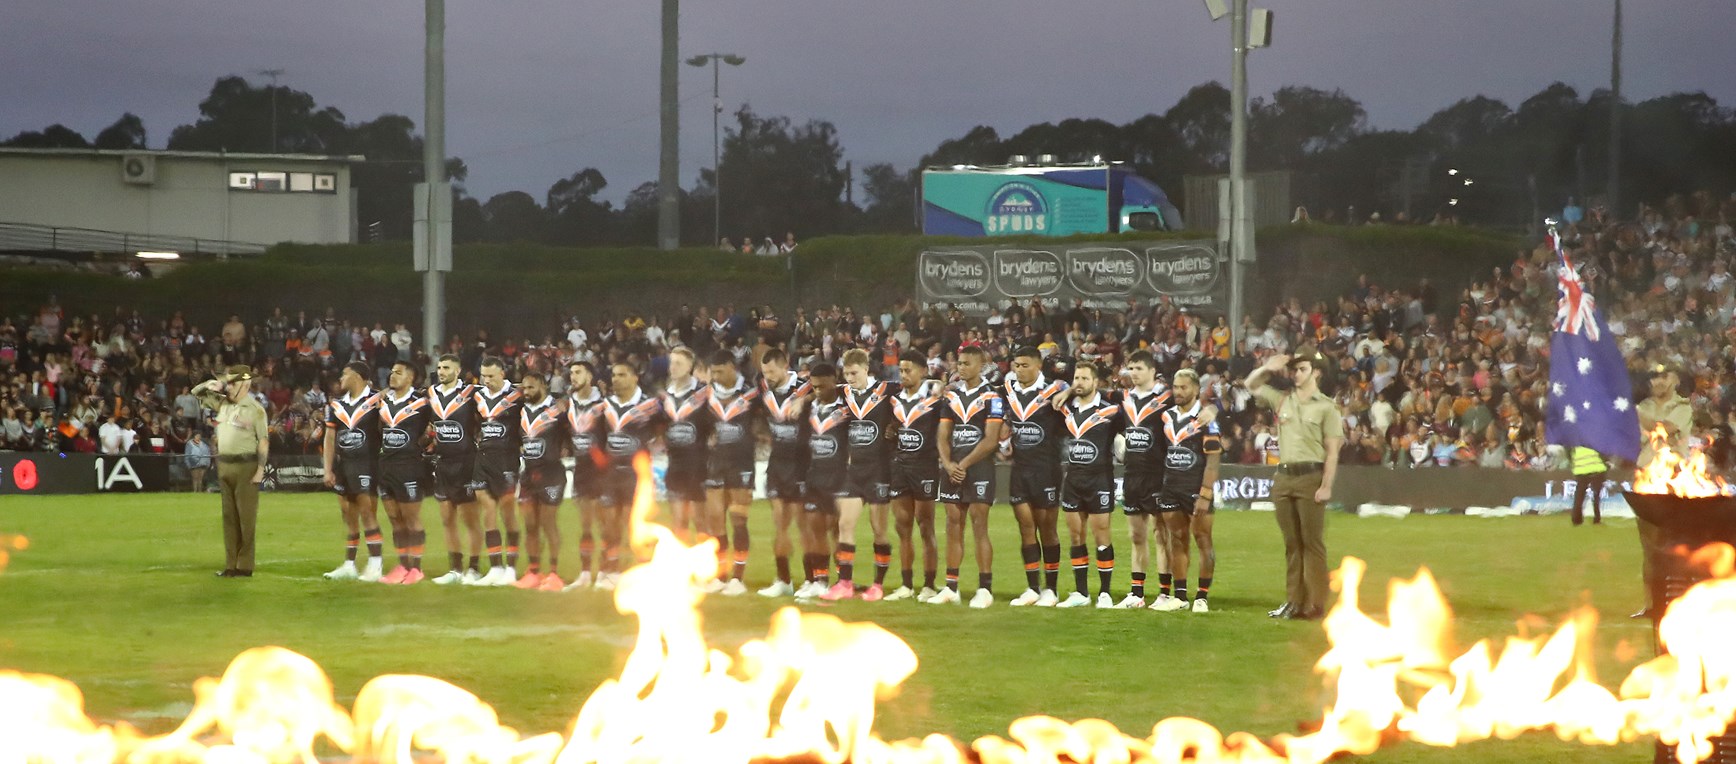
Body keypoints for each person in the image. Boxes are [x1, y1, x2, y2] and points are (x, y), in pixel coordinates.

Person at [1246, 350, 1343, 621]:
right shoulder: (1282, 400)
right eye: (1294, 370)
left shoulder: (1326, 407)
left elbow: (1332, 451)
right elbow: (1250, 385)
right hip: (1284, 476)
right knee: (1291, 543)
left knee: (1311, 543)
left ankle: (1315, 603)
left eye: (1301, 369)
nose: (1295, 374)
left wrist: (1326, 485)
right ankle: (1293, 601)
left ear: (1317, 372)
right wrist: (1267, 367)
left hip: (1311, 476)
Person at [821, 349, 897, 601]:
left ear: (866, 369)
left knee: (879, 529)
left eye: (854, 373)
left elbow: (914, 392)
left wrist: (894, 427)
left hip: (878, 470)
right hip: (853, 470)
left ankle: (878, 584)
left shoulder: (887, 390)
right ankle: (844, 583)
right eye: (846, 373)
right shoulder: (843, 393)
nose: (850, 378)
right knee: (845, 524)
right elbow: (816, 391)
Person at [933, 345, 1004, 607]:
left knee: (979, 525)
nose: (960, 368)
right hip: (953, 469)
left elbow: (991, 439)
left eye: (965, 363)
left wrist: (962, 463)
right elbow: (942, 434)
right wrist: (948, 463)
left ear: (980, 366)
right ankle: (951, 586)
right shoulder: (950, 397)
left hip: (979, 468)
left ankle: (984, 588)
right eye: (958, 363)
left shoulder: (992, 397)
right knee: (952, 524)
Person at [1001, 346, 1069, 607]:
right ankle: (1032, 587)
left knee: (1047, 528)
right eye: (1016, 365)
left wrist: (1070, 391)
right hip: (1020, 469)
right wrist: (1003, 443)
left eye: (1024, 365)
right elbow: (1007, 422)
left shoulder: (1055, 389)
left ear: (1038, 365)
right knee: (1025, 528)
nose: (1019, 370)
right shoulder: (1009, 390)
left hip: (1047, 469)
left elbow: (1078, 393)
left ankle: (1051, 590)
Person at [592, 361, 666, 590]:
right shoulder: (605, 405)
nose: (616, 379)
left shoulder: (651, 405)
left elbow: (665, 428)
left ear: (635, 377)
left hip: (637, 475)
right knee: (609, 524)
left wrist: (656, 446)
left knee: (634, 525)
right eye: (613, 375)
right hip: (612, 475)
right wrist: (602, 463)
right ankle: (611, 570)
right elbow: (597, 439)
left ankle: (641, 571)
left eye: (622, 374)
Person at [1057, 359, 1123, 608]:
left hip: (1099, 480)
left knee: (1102, 535)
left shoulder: (1110, 411)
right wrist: (1066, 391)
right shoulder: (1064, 408)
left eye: (1085, 378)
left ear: (1096, 382)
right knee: (1076, 536)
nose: (1079, 383)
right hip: (1073, 480)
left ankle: (1104, 593)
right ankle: (1081, 593)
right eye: (1076, 378)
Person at [192, 365, 269, 578]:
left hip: (246, 466)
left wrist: (260, 470)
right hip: (224, 464)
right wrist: (213, 384)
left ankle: (244, 566)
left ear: (245, 384)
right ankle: (230, 565)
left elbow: (263, 441)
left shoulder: (255, 409)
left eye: (233, 382)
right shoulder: (223, 403)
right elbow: (196, 392)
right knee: (228, 518)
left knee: (246, 518)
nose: (229, 385)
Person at [1156, 368, 1221, 613]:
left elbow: (1213, 459)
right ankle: (1180, 596)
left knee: (1203, 540)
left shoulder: (1206, 419)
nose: (1179, 392)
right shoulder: (1166, 417)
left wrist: (1205, 493)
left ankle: (1202, 596)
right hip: (1171, 487)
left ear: (1195, 390)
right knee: (1177, 540)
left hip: (1196, 488)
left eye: (1184, 387)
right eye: (1176, 386)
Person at [1118, 350, 1176, 609]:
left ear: (1152, 371)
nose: (1134, 373)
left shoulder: (1166, 399)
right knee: (1136, 535)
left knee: (1161, 534)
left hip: (1158, 476)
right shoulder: (1125, 400)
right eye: (1131, 368)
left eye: (1139, 368)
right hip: (1132, 476)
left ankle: (1165, 593)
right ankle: (1137, 593)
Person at [1634, 363, 1691, 618]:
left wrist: (1633, 412)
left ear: (1675, 379)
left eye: (1663, 376)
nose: (1658, 381)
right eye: (1654, 376)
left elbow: (1665, 430)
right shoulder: (1644, 406)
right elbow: (1636, 439)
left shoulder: (1682, 407)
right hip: (1646, 478)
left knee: (1676, 545)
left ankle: (1680, 603)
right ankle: (1650, 604)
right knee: (1648, 547)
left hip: (1674, 481)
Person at [321, 362, 386, 582]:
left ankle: (375, 564)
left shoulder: (378, 400)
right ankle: (349, 564)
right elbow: (329, 438)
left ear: (357, 376)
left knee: (367, 512)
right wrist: (327, 469)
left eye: (344, 374)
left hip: (367, 463)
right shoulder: (336, 405)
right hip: (344, 464)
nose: (340, 378)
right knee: (348, 514)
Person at [885, 351, 942, 601]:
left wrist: (941, 383)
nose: (904, 375)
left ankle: (929, 584)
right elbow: (896, 426)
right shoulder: (894, 400)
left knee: (926, 526)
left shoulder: (936, 399)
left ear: (923, 372)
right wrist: (892, 429)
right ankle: (906, 585)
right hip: (900, 467)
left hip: (925, 468)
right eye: (901, 370)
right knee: (902, 528)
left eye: (909, 370)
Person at [757, 349, 812, 597]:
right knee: (779, 523)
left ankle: (812, 579)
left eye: (771, 371)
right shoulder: (763, 388)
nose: (767, 376)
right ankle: (784, 580)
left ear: (784, 366)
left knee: (803, 525)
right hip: (777, 462)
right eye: (764, 372)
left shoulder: (804, 386)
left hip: (801, 463)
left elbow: (832, 388)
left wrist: (805, 400)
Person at [703, 352, 757, 596]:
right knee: (715, 518)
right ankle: (719, 575)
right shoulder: (707, 394)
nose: (715, 376)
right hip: (716, 462)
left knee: (738, 519)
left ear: (731, 367)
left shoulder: (751, 392)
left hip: (742, 463)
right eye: (712, 372)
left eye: (719, 371)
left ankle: (738, 578)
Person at [427, 354, 483, 585]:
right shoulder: (430, 394)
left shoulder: (472, 393)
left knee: (469, 519)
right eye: (439, 367)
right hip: (443, 462)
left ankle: (474, 568)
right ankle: (455, 569)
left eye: (446, 368)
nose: (441, 371)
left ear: (457, 371)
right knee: (447, 518)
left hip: (466, 462)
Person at [376, 360, 433, 585]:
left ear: (410, 377)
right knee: (394, 518)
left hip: (409, 466)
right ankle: (402, 565)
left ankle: (416, 569)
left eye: (398, 373)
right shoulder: (383, 401)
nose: (392, 375)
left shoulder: (421, 402)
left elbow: (439, 421)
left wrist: (427, 440)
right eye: (391, 372)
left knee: (411, 518)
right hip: (386, 465)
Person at [512, 371, 569, 591]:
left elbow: (572, 431)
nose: (526, 392)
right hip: (529, 474)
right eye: (524, 388)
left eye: (531, 388)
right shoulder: (522, 411)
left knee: (548, 524)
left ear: (543, 386)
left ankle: (554, 574)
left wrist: (565, 448)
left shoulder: (558, 410)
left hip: (552, 473)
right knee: (530, 525)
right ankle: (534, 571)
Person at [799, 363, 849, 599]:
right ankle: (820, 579)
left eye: (821, 386)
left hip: (838, 478)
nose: (817, 390)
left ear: (834, 381)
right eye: (814, 387)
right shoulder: (809, 408)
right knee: (815, 528)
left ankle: (842, 580)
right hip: (813, 475)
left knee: (836, 530)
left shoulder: (847, 407)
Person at [471, 357, 521, 586]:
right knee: (487, 509)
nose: (487, 380)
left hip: (507, 460)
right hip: (483, 459)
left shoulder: (517, 396)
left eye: (491, 376)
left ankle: (510, 567)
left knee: (508, 513)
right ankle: (495, 567)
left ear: (502, 373)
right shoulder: (478, 395)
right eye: (484, 376)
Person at [661, 348, 712, 550]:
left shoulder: (704, 393)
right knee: (678, 523)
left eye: (678, 363)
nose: (673, 367)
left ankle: (707, 574)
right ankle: (682, 573)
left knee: (701, 523)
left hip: (699, 465)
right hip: (675, 465)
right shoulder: (664, 396)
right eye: (671, 363)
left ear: (690, 367)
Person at [561, 361, 606, 590]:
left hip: (602, 471)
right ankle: (586, 574)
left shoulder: (603, 404)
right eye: (571, 373)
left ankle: (608, 573)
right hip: (581, 470)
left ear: (590, 376)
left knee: (606, 525)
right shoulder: (570, 404)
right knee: (586, 525)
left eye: (578, 372)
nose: (573, 377)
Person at [1569, 446, 1607, 527]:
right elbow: (1603, 453)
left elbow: (1570, 454)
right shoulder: (1594, 440)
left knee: (1579, 496)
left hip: (1580, 470)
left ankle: (1576, 520)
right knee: (1596, 496)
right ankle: (1597, 519)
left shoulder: (1575, 441)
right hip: (1596, 469)